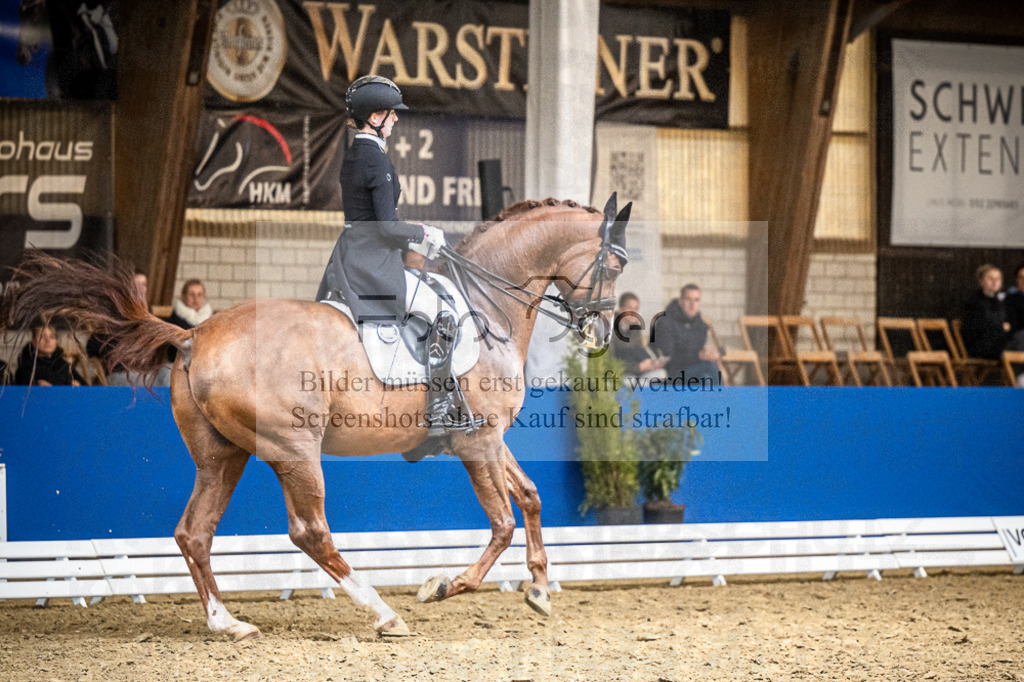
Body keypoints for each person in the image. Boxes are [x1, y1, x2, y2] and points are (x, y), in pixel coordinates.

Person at [315, 75, 467, 436]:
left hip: (351, 252)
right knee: (441, 314)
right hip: (373, 261)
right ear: (373, 116)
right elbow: (386, 227)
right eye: (390, 113)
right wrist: (425, 233)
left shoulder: (355, 153)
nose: (396, 120)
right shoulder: (376, 161)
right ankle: (440, 408)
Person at [649, 283, 721, 383]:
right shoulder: (665, 323)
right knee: (709, 369)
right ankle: (723, 398)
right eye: (688, 299)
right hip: (670, 374)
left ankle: (718, 398)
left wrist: (712, 354)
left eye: (696, 300)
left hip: (694, 371)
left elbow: (699, 355)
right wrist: (699, 356)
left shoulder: (701, 326)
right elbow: (667, 360)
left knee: (706, 377)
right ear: (680, 301)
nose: (692, 305)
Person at [610, 292, 666, 381]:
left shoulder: (635, 328)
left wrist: (651, 363)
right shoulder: (611, 329)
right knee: (631, 381)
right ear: (620, 309)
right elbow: (612, 363)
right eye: (629, 308)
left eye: (636, 308)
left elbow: (638, 351)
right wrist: (639, 367)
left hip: (636, 370)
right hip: (619, 373)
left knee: (660, 374)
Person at [13, 322, 84, 386]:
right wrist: (36, 386)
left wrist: (77, 385)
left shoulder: (64, 366)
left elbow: (86, 387)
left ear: (56, 341)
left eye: (52, 337)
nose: (47, 340)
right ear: (33, 341)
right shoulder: (25, 367)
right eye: (42, 336)